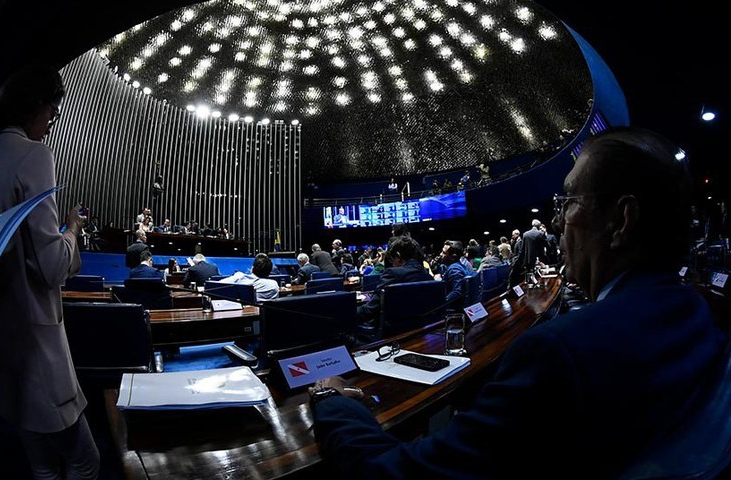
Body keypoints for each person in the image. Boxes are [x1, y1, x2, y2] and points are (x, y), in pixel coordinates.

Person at [309, 127, 726, 479]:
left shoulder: (559, 353)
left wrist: (335, 404)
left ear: (621, 221)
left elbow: (391, 474)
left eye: (569, 201)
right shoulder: (703, 312)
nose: (559, 221)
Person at [0, 64, 100, 479]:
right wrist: (73, 228)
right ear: (35, 105)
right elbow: (52, 266)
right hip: (36, 342)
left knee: (42, 465)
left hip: (1, 342)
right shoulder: (34, 154)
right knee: (84, 460)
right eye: (51, 111)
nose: (51, 123)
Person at [356, 236, 432, 323]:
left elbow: (371, 310)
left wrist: (348, 313)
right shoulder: (427, 276)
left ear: (398, 256)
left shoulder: (392, 274)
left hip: (390, 332)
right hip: (420, 329)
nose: (392, 264)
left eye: (392, 259)